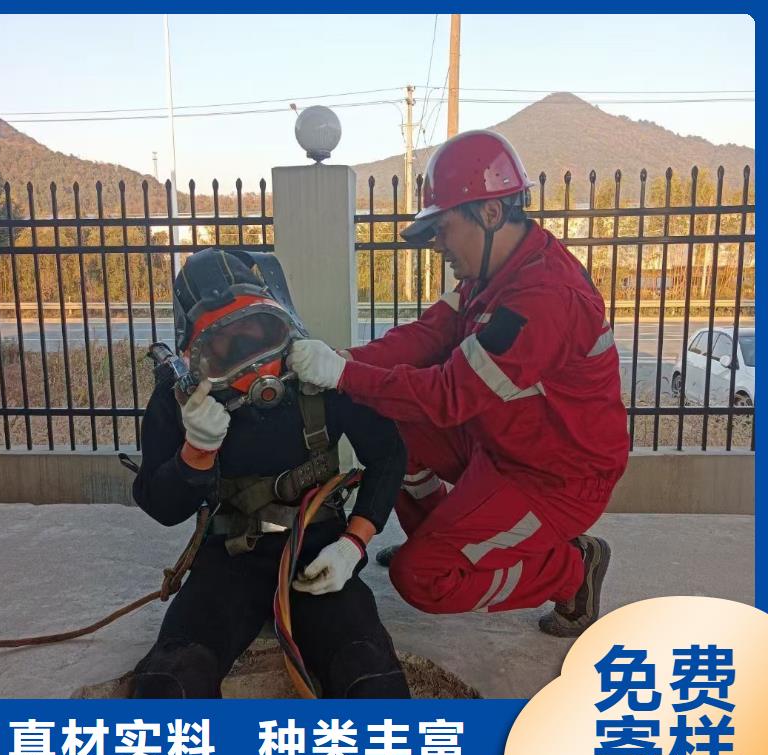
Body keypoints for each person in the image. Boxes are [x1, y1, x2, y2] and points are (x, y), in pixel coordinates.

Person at [288, 130, 630, 638]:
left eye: (443, 228)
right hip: (503, 443)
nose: (438, 244)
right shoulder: (492, 276)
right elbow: (427, 335)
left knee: (423, 578)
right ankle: (439, 536)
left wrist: (343, 376)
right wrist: (345, 360)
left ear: (489, 213)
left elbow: (449, 396)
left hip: (556, 478)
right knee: (391, 418)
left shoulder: (544, 298)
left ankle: (574, 570)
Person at [130, 247, 410, 698]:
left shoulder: (318, 374)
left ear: (280, 320)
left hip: (317, 549)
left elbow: (389, 453)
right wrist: (195, 453)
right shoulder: (180, 399)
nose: (252, 360)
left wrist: (352, 544)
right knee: (170, 684)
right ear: (195, 352)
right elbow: (161, 506)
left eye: (258, 330)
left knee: (371, 678)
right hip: (227, 561)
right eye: (224, 345)